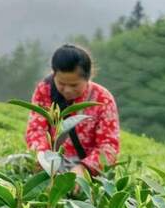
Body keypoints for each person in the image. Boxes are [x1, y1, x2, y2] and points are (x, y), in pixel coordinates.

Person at [25, 43, 120, 177]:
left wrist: (84, 169)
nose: (67, 90)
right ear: (54, 75)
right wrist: (43, 159)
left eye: (74, 85)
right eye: (61, 84)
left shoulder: (102, 99)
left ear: (88, 77)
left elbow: (109, 146)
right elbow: (36, 130)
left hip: (86, 170)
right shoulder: (45, 90)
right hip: (51, 163)